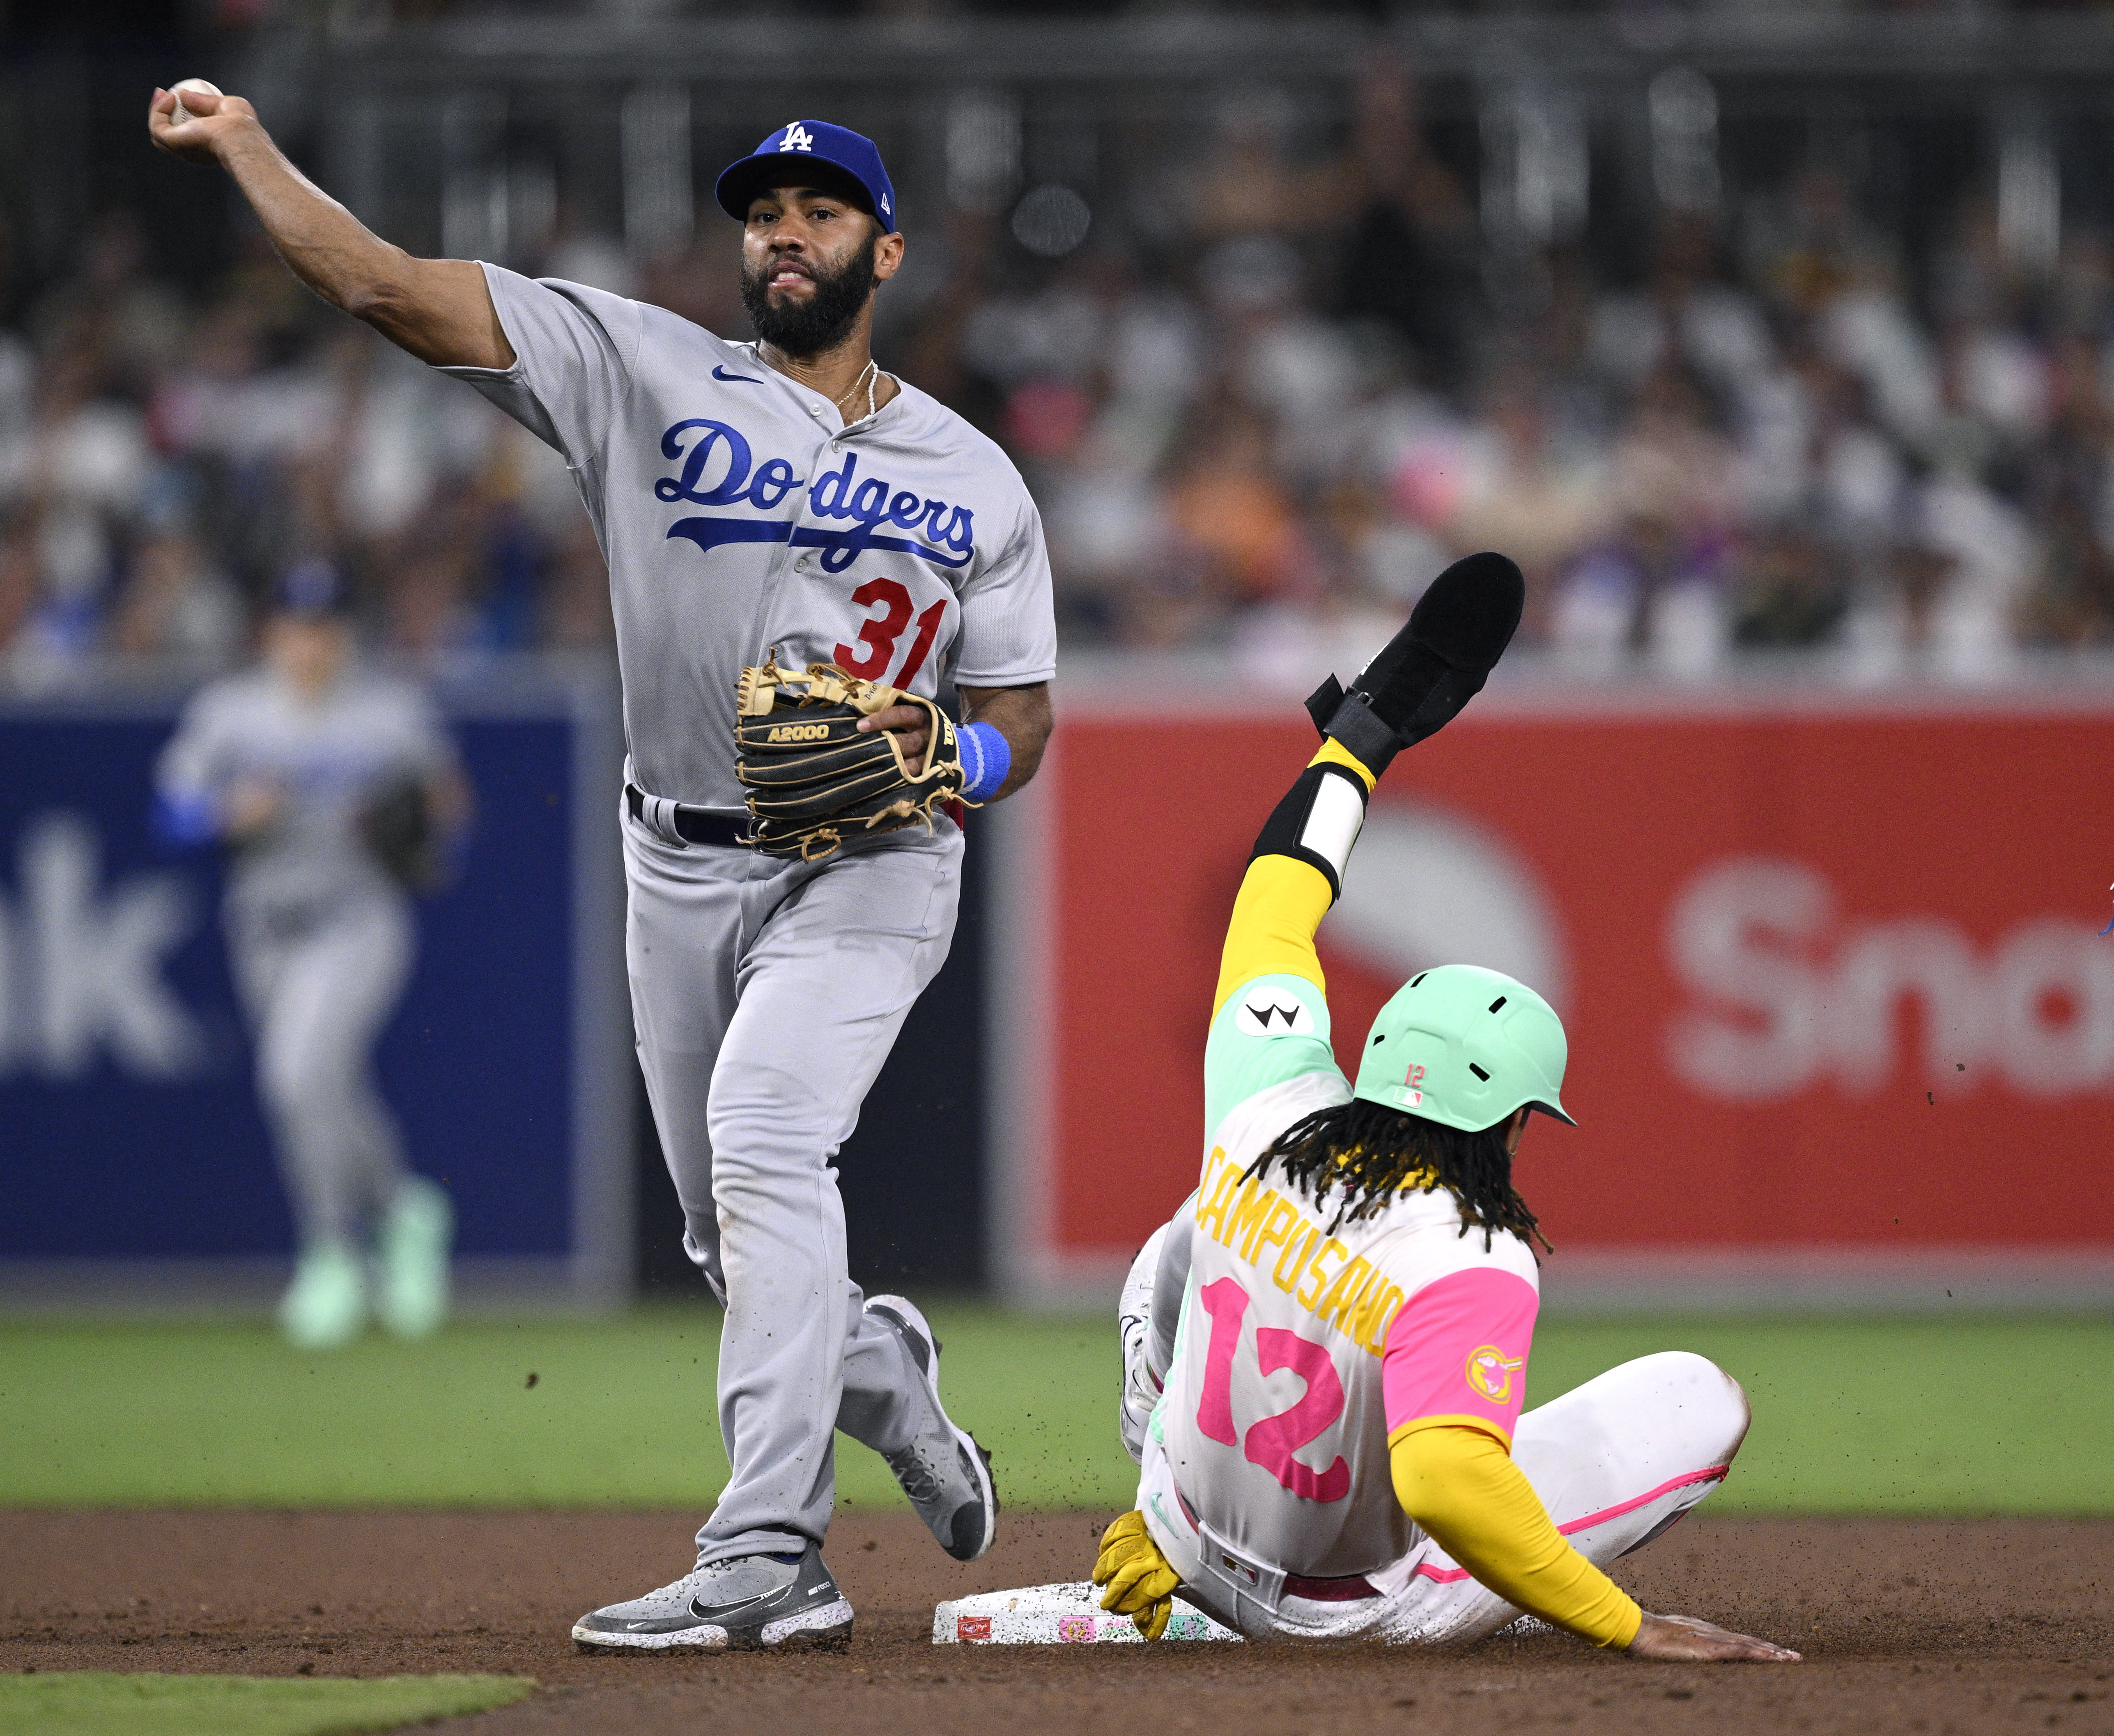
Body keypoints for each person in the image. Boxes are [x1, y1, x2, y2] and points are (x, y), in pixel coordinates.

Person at [151, 94, 1056, 1651]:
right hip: (678, 856)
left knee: (769, 1143)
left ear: (885, 248)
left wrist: (944, 763)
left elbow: (1021, 719)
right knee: (731, 1237)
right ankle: (883, 1377)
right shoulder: (633, 365)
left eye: (822, 208)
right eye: (764, 206)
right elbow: (374, 279)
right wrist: (245, 143)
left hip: (876, 860)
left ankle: (768, 1551)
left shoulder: (974, 477)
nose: (785, 227)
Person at [1085, 552, 1801, 1662]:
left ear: (1377, 1055)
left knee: (1181, 1239)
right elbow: (1442, 1476)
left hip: (1181, 1522)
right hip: (1348, 1613)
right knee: (1698, 1397)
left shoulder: (1267, 1101)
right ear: (1510, 1117)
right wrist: (1626, 1623)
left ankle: (1160, 1498)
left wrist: (1355, 744)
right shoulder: (1469, 1251)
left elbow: (1273, 896)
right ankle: (1242, 1565)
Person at [153, 559, 469, 1349]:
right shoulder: (231, 714)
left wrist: (418, 827)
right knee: (324, 1088)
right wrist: (226, 813)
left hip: (357, 919)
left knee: (296, 1076)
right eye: (297, 626)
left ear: (344, 635)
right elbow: (171, 814)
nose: (311, 643)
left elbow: (447, 808)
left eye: (325, 627)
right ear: (272, 633)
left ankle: (331, 1254)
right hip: (262, 927)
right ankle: (401, 1208)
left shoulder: (388, 714)